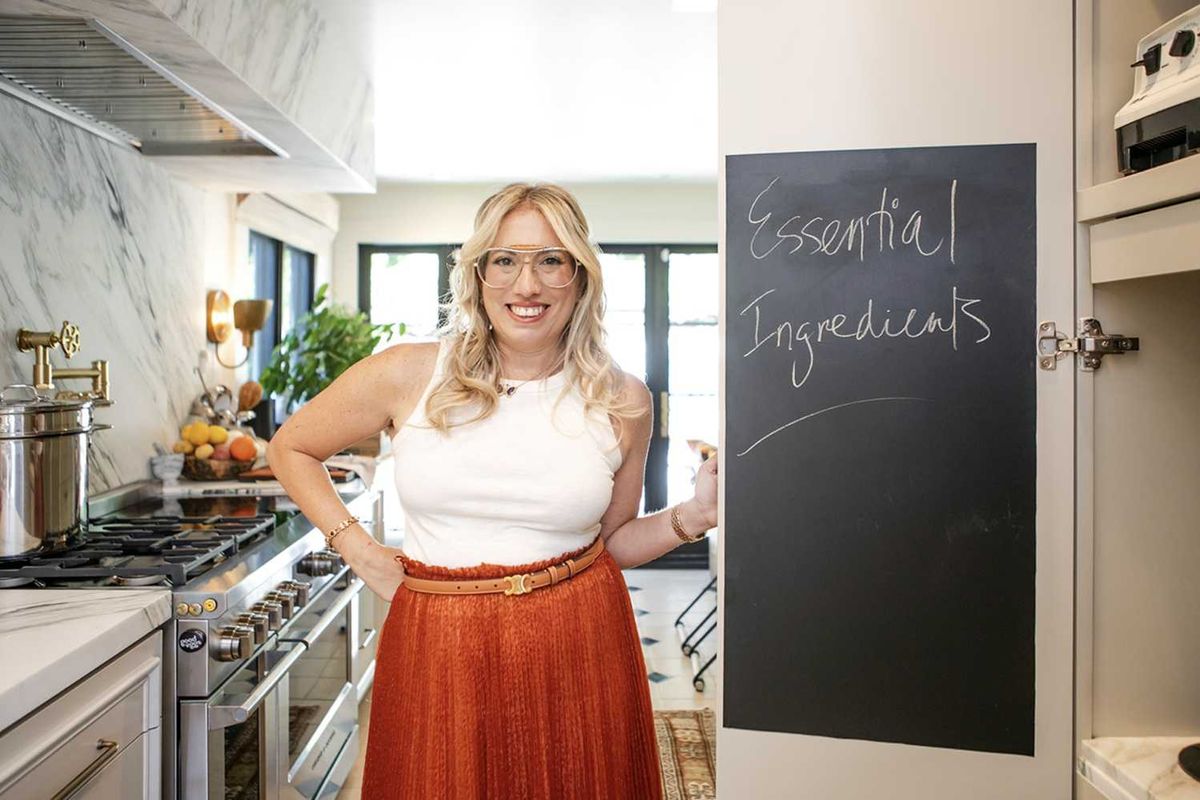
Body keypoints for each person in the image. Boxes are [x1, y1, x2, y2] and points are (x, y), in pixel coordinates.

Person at [267, 183, 719, 799]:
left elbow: (613, 542)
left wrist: (696, 513)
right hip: (437, 638)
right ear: (478, 275)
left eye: (550, 260)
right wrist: (362, 552)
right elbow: (290, 447)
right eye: (505, 260)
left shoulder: (623, 399)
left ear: (580, 277)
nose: (525, 285)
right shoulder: (407, 373)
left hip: (577, 637)